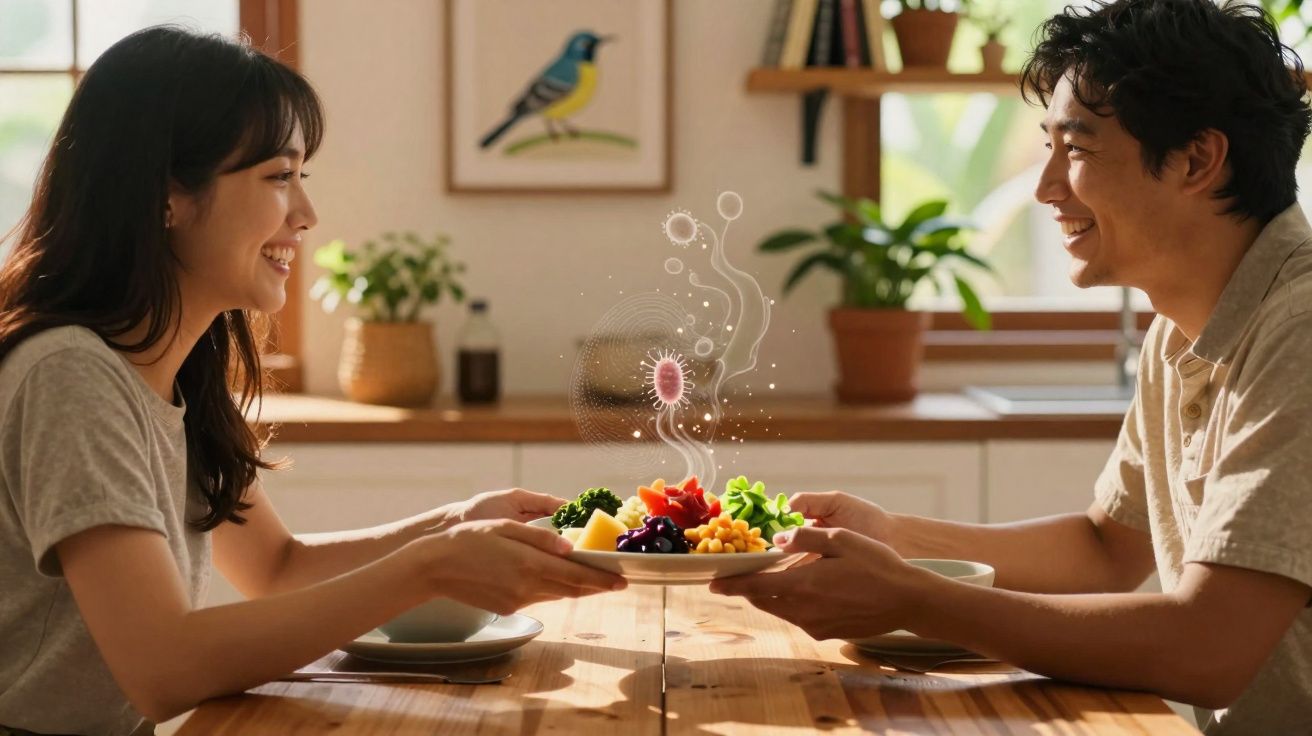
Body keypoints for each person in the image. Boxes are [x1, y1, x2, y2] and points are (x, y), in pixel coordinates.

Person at [0, 26, 624, 736]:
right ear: (167, 195)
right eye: (277, 176)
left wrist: (456, 524)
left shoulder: (178, 375)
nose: (306, 214)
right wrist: (431, 569)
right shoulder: (70, 376)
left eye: (304, 177)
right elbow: (164, 668)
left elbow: (278, 565)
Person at [711, 1, 1312, 733]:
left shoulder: (1301, 329)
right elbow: (1103, 549)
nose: (1046, 187)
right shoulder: (1181, 329)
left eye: (1078, 151)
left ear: (1196, 160)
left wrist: (914, 597)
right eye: (1048, 148)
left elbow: (1210, 646)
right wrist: (893, 537)